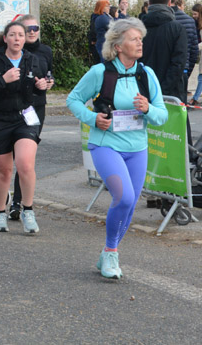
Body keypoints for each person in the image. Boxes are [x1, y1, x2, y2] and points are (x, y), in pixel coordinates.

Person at [66, 18, 167, 279]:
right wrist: (92, 118)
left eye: (141, 39)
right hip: (106, 145)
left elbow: (162, 116)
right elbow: (73, 99)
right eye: (134, 39)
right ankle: (112, 252)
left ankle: (108, 253)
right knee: (124, 198)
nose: (140, 43)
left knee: (130, 205)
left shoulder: (147, 74)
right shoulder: (100, 72)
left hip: (138, 148)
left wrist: (148, 108)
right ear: (118, 46)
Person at [0, 21, 48, 234]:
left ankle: (28, 211)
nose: (17, 39)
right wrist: (3, 80)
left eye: (20, 35)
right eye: (13, 35)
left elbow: (39, 86)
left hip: (24, 118)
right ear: (5, 38)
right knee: (4, 172)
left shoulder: (32, 60)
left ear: (25, 39)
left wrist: (42, 86)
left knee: (25, 165)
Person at [7, 14, 54, 220]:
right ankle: (5, 191)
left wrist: (48, 82)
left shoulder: (46, 51)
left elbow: (50, 73)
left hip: (36, 109)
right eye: (28, 29)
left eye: (36, 28)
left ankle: (18, 203)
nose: (32, 32)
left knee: (25, 159)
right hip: (12, 108)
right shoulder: (12, 51)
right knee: (8, 158)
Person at [140, 0, 187, 100]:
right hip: (171, 93)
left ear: (149, 3)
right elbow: (178, 63)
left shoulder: (137, 28)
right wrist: (163, 89)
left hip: (143, 90)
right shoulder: (177, 29)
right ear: (169, 2)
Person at [169, 0, 199, 102]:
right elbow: (194, 50)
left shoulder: (162, 20)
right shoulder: (189, 21)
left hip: (164, 69)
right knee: (181, 105)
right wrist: (188, 70)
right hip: (183, 69)